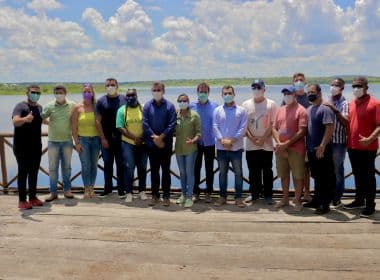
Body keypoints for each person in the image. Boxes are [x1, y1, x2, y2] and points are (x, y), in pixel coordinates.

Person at [344, 77, 379, 218]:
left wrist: (370, 138)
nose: (356, 88)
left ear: (366, 87)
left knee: (369, 177)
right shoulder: (352, 103)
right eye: (353, 86)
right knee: (357, 174)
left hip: (368, 147)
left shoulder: (375, 104)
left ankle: (370, 205)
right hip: (352, 146)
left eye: (359, 85)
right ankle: (359, 200)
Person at [242, 79, 277, 205]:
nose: (256, 90)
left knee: (267, 170)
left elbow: (273, 124)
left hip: (266, 143)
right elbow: (243, 124)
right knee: (253, 171)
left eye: (259, 87)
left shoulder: (271, 104)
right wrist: (252, 138)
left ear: (264, 89)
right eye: (254, 87)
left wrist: (263, 139)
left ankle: (268, 195)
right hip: (251, 144)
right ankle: (254, 194)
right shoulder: (246, 104)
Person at [273, 86, 308, 211]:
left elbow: (302, 131)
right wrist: (279, 143)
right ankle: (285, 199)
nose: (286, 96)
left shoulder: (301, 110)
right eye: (285, 94)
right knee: (283, 175)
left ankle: (298, 200)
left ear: (295, 95)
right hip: (280, 149)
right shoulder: (280, 110)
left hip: (296, 149)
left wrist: (286, 144)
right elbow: (274, 128)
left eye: (289, 93)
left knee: (298, 176)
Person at [213, 85, 247, 207]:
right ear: (222, 95)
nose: (227, 95)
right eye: (225, 93)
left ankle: (238, 198)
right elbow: (215, 126)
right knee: (222, 173)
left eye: (229, 93)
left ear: (234, 94)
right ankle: (222, 197)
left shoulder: (241, 110)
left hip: (236, 148)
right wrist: (222, 140)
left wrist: (232, 141)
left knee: (238, 173)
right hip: (221, 148)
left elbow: (243, 128)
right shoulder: (217, 110)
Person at [303, 84, 335, 215]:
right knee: (316, 176)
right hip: (311, 149)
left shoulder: (325, 108)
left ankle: (325, 204)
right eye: (308, 92)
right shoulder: (310, 109)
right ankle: (316, 200)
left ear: (319, 93)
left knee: (324, 177)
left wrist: (322, 145)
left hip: (322, 149)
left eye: (313, 91)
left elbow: (330, 127)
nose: (310, 94)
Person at [143, 82, 176, 207]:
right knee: (154, 171)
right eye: (154, 90)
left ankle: (166, 196)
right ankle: (155, 196)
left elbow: (172, 124)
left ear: (163, 91)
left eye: (158, 90)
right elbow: (145, 123)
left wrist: (161, 137)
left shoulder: (170, 106)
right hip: (151, 144)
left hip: (165, 144)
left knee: (166, 171)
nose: (156, 92)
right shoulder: (147, 106)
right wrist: (155, 137)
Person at [12, 84, 44, 209]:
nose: (35, 95)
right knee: (23, 172)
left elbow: (42, 120)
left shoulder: (40, 108)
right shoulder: (20, 106)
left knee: (34, 172)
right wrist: (25, 119)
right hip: (21, 146)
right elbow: (15, 121)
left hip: (36, 145)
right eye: (33, 92)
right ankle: (22, 200)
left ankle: (33, 197)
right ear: (27, 93)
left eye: (38, 93)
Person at [42, 85, 75, 202]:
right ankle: (53, 192)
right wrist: (49, 123)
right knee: (52, 168)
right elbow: (41, 118)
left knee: (67, 167)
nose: (59, 94)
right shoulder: (49, 105)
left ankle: (67, 190)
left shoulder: (72, 105)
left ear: (65, 93)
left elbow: (76, 119)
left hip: (67, 141)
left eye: (61, 92)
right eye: (56, 92)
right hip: (53, 142)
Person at [96, 78, 127, 198]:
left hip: (121, 139)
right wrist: (102, 138)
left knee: (121, 165)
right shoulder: (101, 101)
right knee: (107, 165)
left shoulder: (124, 99)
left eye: (112, 85)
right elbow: (98, 121)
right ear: (105, 87)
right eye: (108, 85)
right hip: (106, 139)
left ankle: (121, 190)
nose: (110, 87)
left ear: (117, 86)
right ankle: (107, 189)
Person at [116, 88, 148, 203]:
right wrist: (135, 138)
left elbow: (148, 124)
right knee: (129, 168)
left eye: (132, 95)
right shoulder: (121, 110)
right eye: (128, 96)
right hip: (128, 143)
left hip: (143, 144)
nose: (130, 97)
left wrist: (142, 137)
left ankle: (142, 191)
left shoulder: (143, 108)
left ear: (137, 96)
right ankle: (129, 192)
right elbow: (120, 127)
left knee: (142, 168)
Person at [189, 82, 218, 203]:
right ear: (197, 92)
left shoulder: (215, 106)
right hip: (196, 143)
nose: (203, 94)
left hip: (210, 143)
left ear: (208, 93)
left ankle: (208, 193)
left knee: (209, 169)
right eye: (201, 91)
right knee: (196, 168)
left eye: (205, 92)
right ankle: (195, 192)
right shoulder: (191, 106)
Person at [71, 83, 100, 199]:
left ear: (93, 93)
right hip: (83, 140)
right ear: (82, 93)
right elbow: (73, 127)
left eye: (89, 92)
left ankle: (92, 188)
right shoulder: (77, 108)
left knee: (94, 165)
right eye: (85, 92)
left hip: (96, 140)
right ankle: (86, 188)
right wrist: (76, 142)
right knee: (85, 165)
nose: (87, 94)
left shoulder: (97, 107)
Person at [324, 78, 348, 209]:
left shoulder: (344, 103)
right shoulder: (327, 100)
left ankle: (337, 198)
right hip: (327, 142)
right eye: (332, 84)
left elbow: (346, 122)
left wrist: (334, 109)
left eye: (337, 85)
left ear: (342, 88)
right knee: (328, 171)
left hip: (338, 142)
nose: (333, 87)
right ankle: (328, 195)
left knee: (338, 171)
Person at [175, 94, 201, 208]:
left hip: (191, 149)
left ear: (188, 102)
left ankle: (190, 196)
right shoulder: (176, 115)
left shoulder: (194, 115)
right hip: (178, 149)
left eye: (185, 100)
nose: (182, 102)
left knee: (190, 173)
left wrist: (193, 140)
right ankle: (183, 195)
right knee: (182, 173)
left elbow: (199, 133)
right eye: (180, 101)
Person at [292, 72, 312, 202]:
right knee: (295, 168)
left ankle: (307, 193)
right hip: (293, 139)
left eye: (301, 80)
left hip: (308, 138)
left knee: (306, 168)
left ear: (305, 82)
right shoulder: (289, 98)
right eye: (296, 80)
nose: (299, 82)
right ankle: (297, 193)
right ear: (293, 83)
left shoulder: (309, 97)